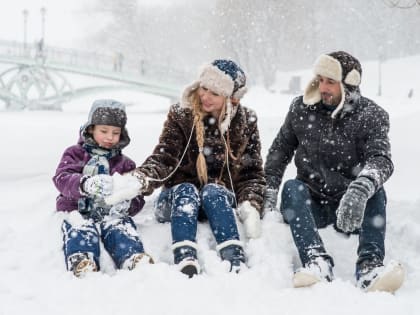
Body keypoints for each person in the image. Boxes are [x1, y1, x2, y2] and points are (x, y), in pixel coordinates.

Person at [106, 59, 266, 277]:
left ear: (231, 99)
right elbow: (164, 157)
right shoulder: (182, 115)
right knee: (186, 190)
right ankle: (185, 256)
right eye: (204, 88)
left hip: (217, 202)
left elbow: (252, 172)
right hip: (176, 200)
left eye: (215, 93)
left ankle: (233, 256)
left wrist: (250, 203)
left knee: (214, 190)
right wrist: (141, 179)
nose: (205, 96)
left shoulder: (246, 121)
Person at [263, 51, 404, 292]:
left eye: (330, 81)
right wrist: (268, 190)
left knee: (375, 190)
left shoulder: (371, 115)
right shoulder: (300, 108)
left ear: (348, 85)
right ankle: (316, 261)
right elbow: (279, 151)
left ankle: (370, 266)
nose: (323, 87)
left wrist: (360, 189)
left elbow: (381, 159)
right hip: (312, 203)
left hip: (352, 207)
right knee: (291, 188)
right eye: (320, 79)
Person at [52, 99, 153, 277]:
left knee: (121, 227)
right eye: (104, 131)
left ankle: (132, 257)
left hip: (110, 213)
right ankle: (82, 259)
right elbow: (62, 178)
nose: (109, 137)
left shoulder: (125, 164)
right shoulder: (75, 154)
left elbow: (136, 195)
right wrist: (85, 184)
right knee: (80, 228)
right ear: (91, 129)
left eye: (115, 133)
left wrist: (128, 204)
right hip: (77, 210)